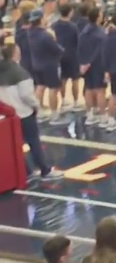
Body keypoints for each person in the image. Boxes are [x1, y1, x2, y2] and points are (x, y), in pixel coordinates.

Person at [0, 43, 63, 181]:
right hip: (24, 113)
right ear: (15, 54)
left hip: (7, 116)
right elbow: (26, 95)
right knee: (34, 142)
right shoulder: (20, 73)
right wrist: (36, 106)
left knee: (15, 145)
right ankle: (45, 170)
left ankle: (25, 171)